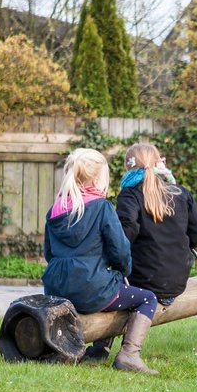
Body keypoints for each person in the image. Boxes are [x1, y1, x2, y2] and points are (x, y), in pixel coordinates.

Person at [82, 142, 197, 363]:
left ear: (128, 168)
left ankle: (100, 349)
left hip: (142, 281)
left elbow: (125, 235)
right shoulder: (181, 193)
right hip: (175, 284)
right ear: (158, 162)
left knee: (111, 281)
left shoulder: (129, 195)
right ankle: (124, 353)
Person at [42, 147, 159, 374]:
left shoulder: (55, 209)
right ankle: (129, 355)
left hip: (56, 288)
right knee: (146, 298)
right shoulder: (102, 207)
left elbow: (49, 252)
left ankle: (99, 351)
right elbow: (121, 250)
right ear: (97, 178)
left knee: (109, 286)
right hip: (91, 288)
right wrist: (123, 270)